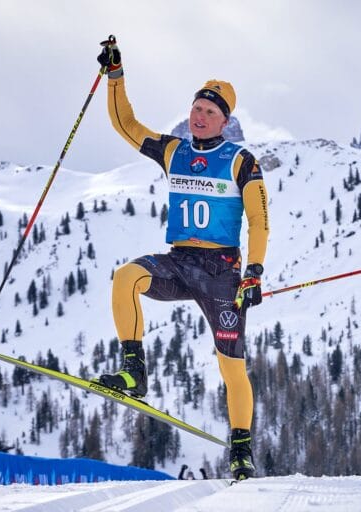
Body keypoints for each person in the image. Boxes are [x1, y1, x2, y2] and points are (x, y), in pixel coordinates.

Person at [95, 38, 269, 482]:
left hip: (222, 273)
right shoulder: (175, 151)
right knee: (126, 277)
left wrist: (253, 272)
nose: (200, 116)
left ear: (225, 121)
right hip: (178, 263)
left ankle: (241, 449)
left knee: (231, 366)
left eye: (210, 111)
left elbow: (258, 221)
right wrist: (115, 76)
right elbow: (126, 124)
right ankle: (134, 372)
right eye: (196, 108)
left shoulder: (241, 161)